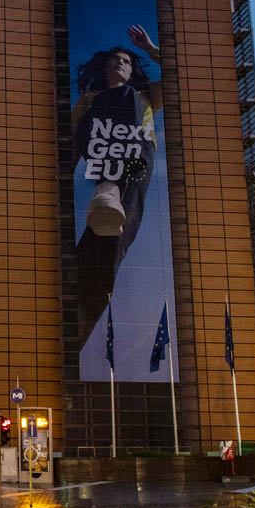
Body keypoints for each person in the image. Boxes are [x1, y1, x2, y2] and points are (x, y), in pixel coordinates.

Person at [71, 24, 161, 344]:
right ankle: (79, 323)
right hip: (102, 166)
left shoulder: (145, 97)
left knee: (114, 241)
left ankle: (109, 190)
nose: (119, 63)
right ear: (104, 65)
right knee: (91, 262)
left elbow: (184, 72)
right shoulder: (90, 100)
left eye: (126, 60)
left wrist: (150, 48)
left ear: (133, 68)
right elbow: (69, 144)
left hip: (135, 164)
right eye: (114, 59)